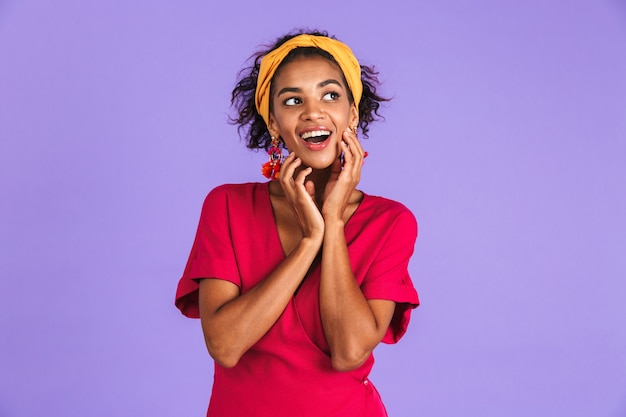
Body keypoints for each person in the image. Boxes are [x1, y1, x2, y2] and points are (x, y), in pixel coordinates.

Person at [175, 29, 420, 417]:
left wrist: (334, 225)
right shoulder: (227, 206)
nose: (313, 112)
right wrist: (310, 241)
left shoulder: (390, 222)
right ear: (273, 122)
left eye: (330, 95)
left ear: (352, 113)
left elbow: (349, 352)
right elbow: (224, 345)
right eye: (293, 100)